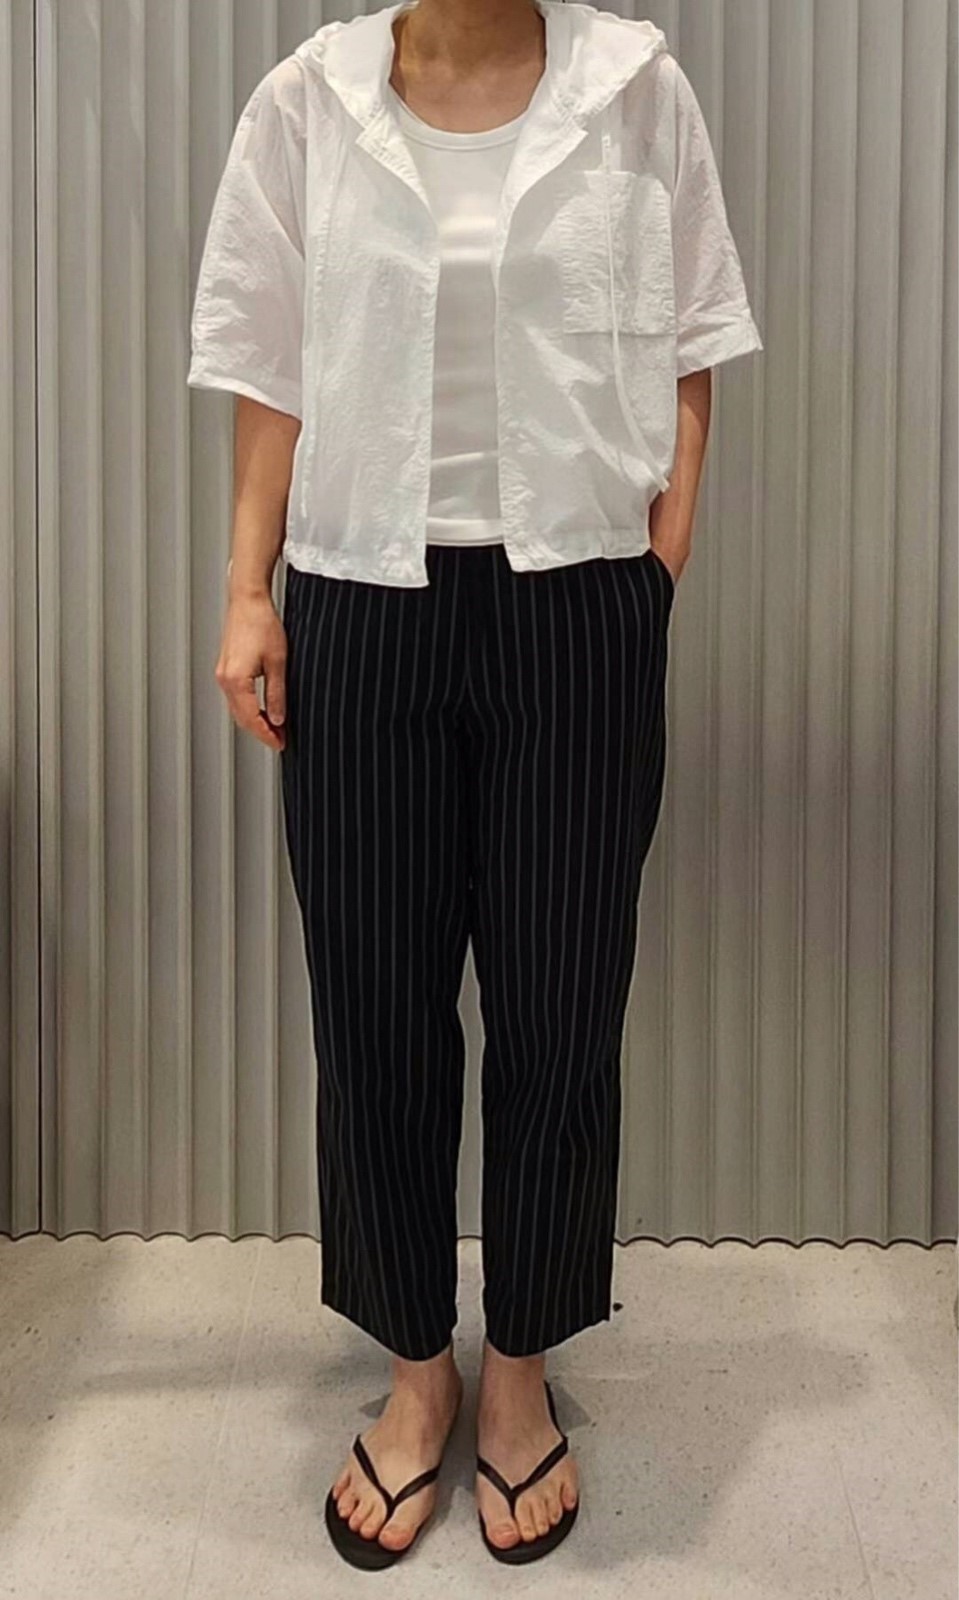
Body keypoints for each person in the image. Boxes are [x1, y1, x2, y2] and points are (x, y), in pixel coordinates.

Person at [187, 0, 762, 1571]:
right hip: (362, 598)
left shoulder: (635, 90)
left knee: (562, 1010)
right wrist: (246, 592)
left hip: (575, 600)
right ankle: (413, 1372)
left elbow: (694, 338)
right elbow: (268, 365)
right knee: (374, 1011)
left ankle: (519, 1371)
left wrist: (657, 564)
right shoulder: (307, 103)